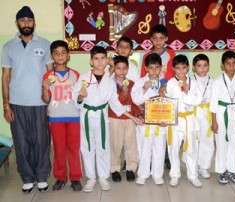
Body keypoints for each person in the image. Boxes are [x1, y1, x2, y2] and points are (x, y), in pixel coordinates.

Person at [73, 46, 142, 192]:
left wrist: (133, 118)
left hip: (102, 116)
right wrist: (80, 96)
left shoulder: (109, 81)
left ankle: (103, 176)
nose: (99, 61)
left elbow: (116, 104)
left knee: (103, 146)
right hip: (87, 115)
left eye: (102, 58)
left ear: (107, 60)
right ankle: (91, 178)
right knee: (87, 147)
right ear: (91, 61)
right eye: (96, 58)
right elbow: (76, 98)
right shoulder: (84, 77)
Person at [1, 6, 53, 193]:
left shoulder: (45, 44)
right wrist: (6, 105)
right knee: (22, 142)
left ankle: (41, 176)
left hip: (40, 102)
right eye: (22, 20)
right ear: (17, 23)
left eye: (29, 20)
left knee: (41, 140)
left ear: (34, 22)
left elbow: (51, 74)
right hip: (17, 102)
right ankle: (27, 177)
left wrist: (50, 101)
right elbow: (5, 77)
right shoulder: (8, 47)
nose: (26, 24)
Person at [42, 40, 82, 191]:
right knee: (58, 149)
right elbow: (46, 99)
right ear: (52, 56)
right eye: (56, 53)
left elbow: (79, 97)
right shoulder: (47, 75)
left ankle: (76, 177)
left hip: (73, 117)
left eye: (63, 53)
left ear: (68, 55)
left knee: (73, 148)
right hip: (56, 117)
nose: (60, 56)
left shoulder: (75, 74)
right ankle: (60, 177)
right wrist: (45, 89)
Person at [210, 51, 235, 185]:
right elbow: (213, 102)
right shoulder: (217, 81)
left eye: (234, 64)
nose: (231, 67)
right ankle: (221, 171)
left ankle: (232, 170)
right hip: (221, 113)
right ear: (222, 65)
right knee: (221, 143)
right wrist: (214, 121)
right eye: (228, 64)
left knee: (233, 143)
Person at [140, 24, 176, 169]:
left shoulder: (171, 54)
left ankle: (166, 156)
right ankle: (149, 158)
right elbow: (143, 75)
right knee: (153, 122)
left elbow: (173, 73)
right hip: (151, 92)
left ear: (166, 39)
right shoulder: (146, 56)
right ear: (151, 40)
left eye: (161, 38)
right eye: (155, 38)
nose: (158, 41)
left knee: (165, 123)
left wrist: (164, 85)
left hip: (166, 90)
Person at [166, 55, 203, 187]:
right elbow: (168, 102)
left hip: (189, 119)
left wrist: (188, 92)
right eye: (178, 68)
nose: (181, 71)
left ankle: (192, 175)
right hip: (175, 120)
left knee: (191, 148)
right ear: (173, 69)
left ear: (188, 68)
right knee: (173, 148)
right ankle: (175, 174)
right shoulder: (170, 83)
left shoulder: (194, 82)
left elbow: (198, 100)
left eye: (183, 68)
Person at [131, 53, 166, 185]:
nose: (154, 71)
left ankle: (157, 174)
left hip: (160, 121)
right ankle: (143, 173)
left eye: (157, 68)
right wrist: (144, 89)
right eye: (151, 68)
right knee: (144, 147)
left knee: (159, 148)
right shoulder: (140, 82)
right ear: (146, 68)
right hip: (145, 121)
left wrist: (166, 119)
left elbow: (169, 102)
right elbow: (136, 99)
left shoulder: (165, 82)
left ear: (161, 67)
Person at [109, 55, 141, 182]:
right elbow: (116, 102)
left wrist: (138, 114)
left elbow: (134, 101)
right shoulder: (110, 84)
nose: (121, 71)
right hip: (115, 117)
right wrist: (124, 93)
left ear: (128, 69)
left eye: (124, 68)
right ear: (114, 69)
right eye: (118, 68)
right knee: (116, 144)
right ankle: (115, 169)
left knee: (131, 144)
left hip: (130, 118)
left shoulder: (132, 83)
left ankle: (131, 168)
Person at [191, 54, 214, 179]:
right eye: (199, 66)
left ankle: (204, 167)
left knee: (207, 140)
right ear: (194, 68)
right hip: (193, 113)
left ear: (209, 66)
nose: (202, 68)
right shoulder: (189, 80)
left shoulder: (213, 81)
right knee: (193, 140)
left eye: (205, 65)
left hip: (207, 114)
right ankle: (193, 165)